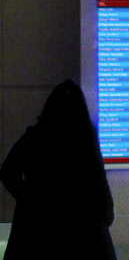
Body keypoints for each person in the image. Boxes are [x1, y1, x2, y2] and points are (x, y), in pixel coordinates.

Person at [0, 79, 117, 259]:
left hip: (35, 234)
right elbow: (100, 184)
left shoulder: (35, 136)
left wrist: (29, 200)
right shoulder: (86, 141)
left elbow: (7, 172)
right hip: (83, 234)